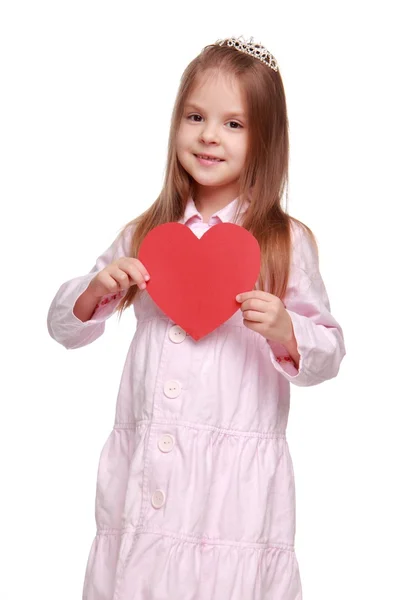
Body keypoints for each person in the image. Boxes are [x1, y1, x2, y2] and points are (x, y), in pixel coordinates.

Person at [47, 36, 346, 600]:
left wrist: (286, 328)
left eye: (234, 124)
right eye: (195, 116)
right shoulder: (147, 233)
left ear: (265, 139)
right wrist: (96, 291)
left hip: (231, 485)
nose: (209, 135)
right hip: (150, 462)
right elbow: (64, 325)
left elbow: (328, 352)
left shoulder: (283, 242)